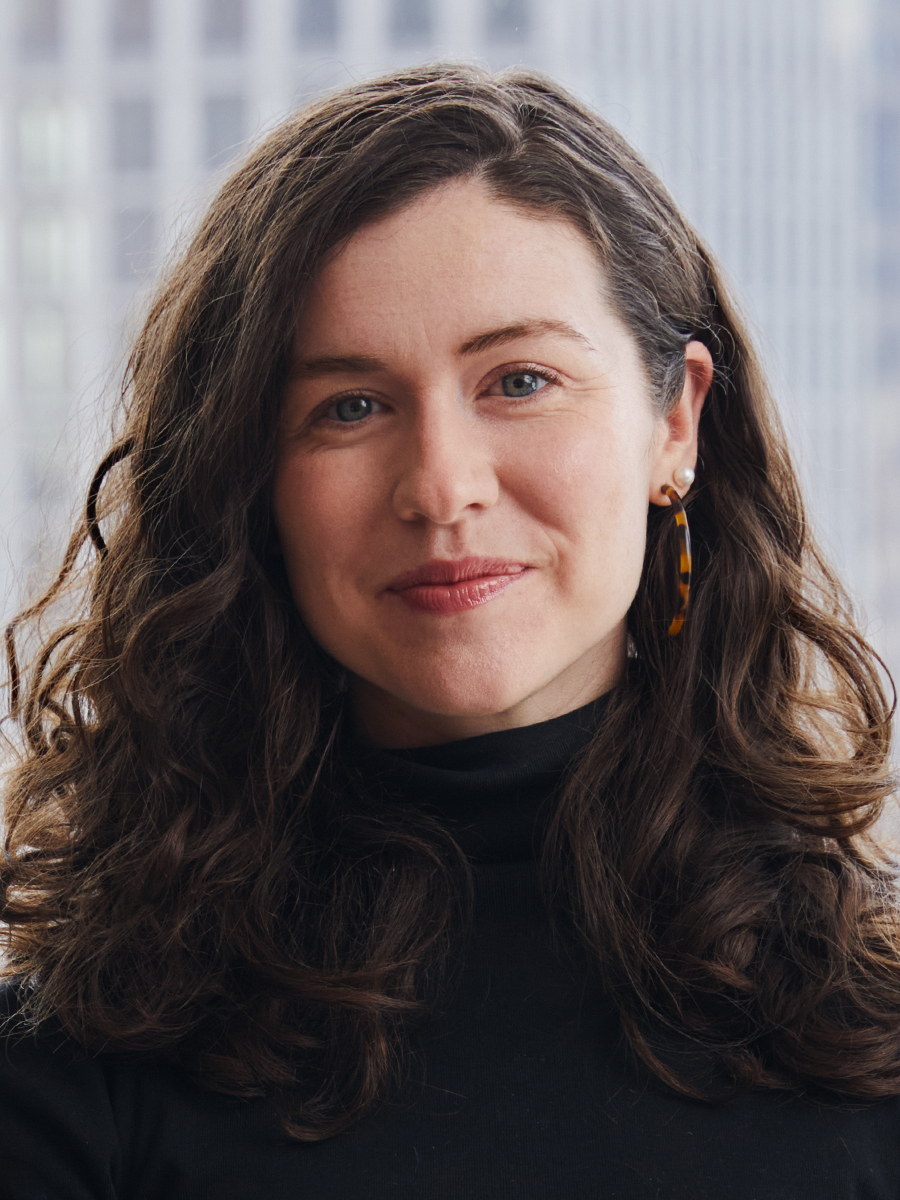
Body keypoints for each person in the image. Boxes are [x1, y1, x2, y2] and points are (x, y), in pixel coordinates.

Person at [1, 62, 899, 1199]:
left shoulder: (871, 1025)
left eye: (519, 381)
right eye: (351, 407)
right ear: (253, 479)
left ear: (677, 421)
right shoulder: (78, 1059)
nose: (439, 487)